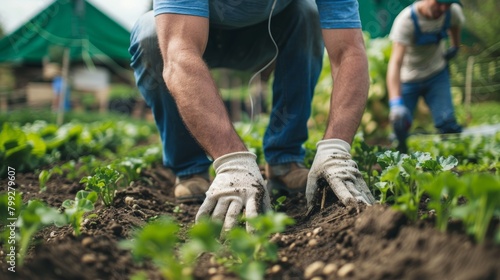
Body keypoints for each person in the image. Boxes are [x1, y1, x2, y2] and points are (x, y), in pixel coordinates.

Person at [129, 0, 375, 231]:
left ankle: (285, 160)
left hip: (266, 36)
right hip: (189, 30)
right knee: (149, 33)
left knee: (307, 13)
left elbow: (348, 50)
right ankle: (190, 168)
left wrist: (336, 146)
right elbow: (178, 53)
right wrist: (232, 160)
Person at [387, 0, 465, 153]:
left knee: (447, 124)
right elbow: (395, 64)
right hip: (409, 79)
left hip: (437, 75)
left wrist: (455, 46)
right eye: (439, 3)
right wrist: (395, 103)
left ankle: (451, 162)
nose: (443, 9)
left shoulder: (452, 12)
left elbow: (455, 25)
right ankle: (400, 158)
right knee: (400, 125)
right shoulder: (406, 21)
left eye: (448, 4)